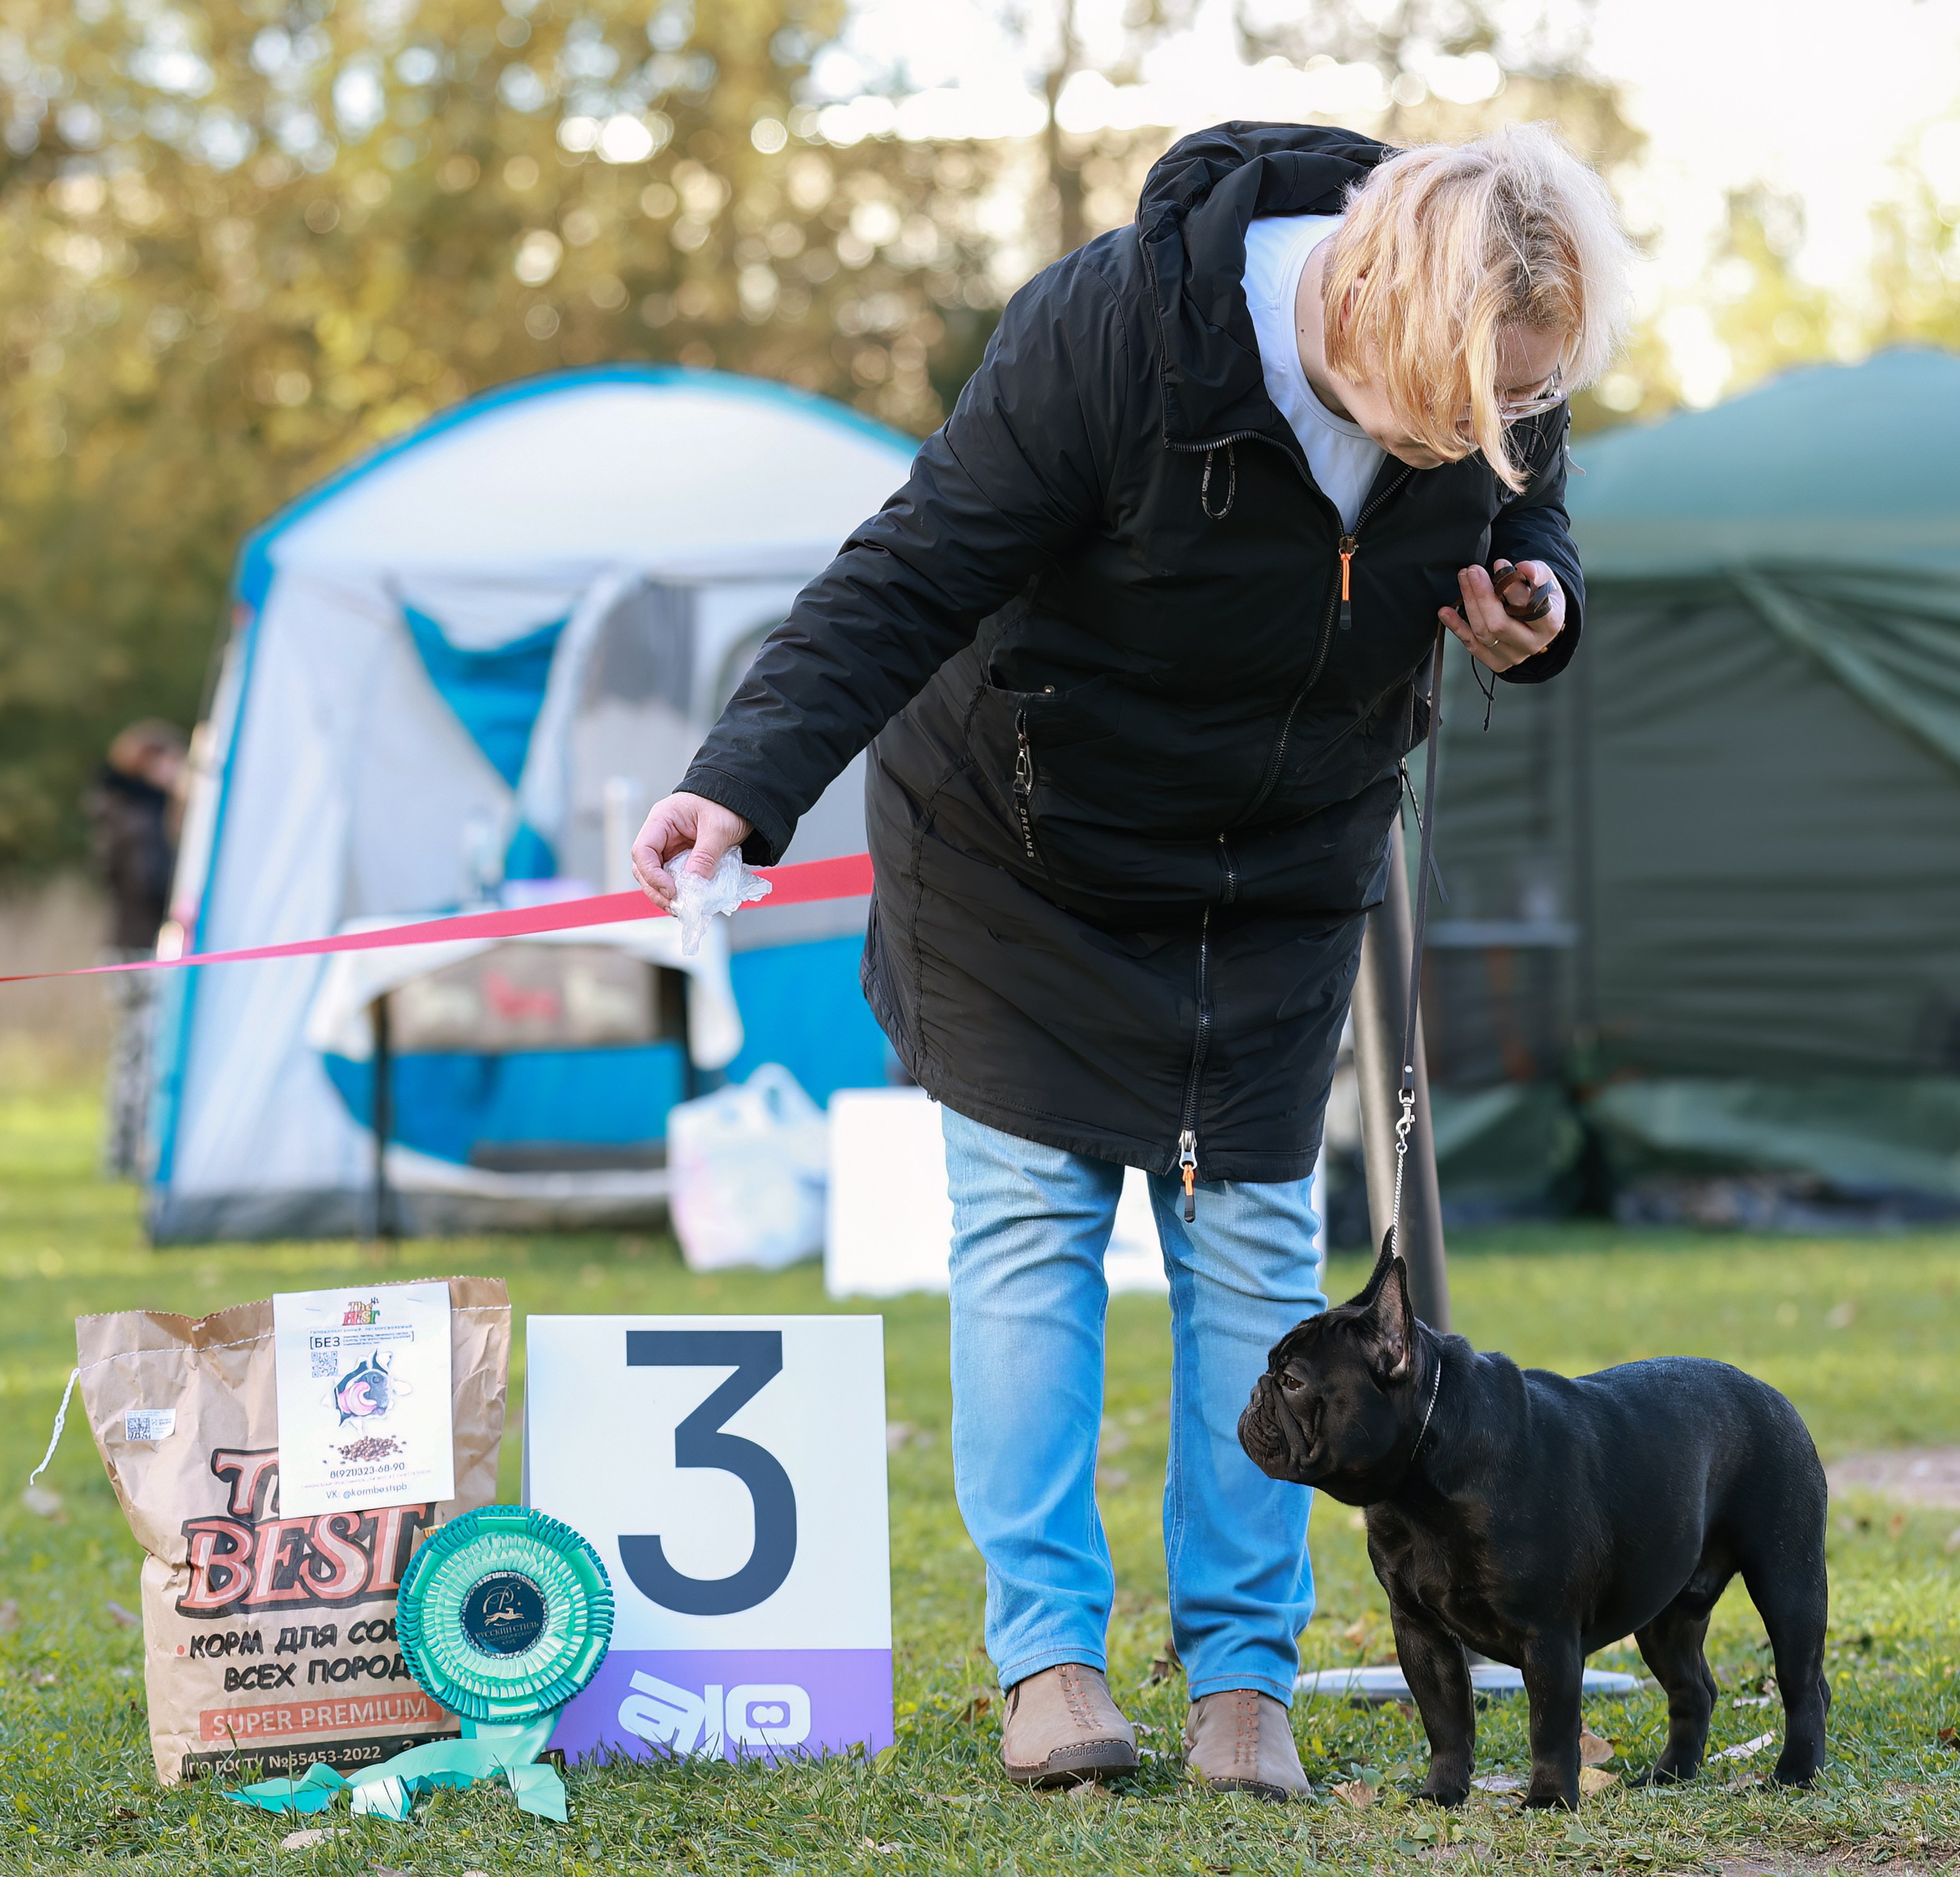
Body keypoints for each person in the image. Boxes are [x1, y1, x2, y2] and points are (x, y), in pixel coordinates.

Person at [633, 121, 1632, 1799]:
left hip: (1274, 868)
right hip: (1024, 854)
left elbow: (1534, 525)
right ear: (1372, 298)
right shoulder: (1116, 335)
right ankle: (1049, 1659)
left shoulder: (1495, 352)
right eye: (1463, 400)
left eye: (1513, 404)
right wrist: (737, 782)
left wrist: (1538, 601)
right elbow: (911, 570)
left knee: (1251, 1253)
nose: (1486, 432)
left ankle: (1243, 1676)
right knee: (1030, 1235)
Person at [85, 718, 188, 1177]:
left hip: (121, 947)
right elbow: (152, 885)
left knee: (129, 1057)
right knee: (143, 1058)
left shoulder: (115, 810)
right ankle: (132, 1156)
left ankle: (121, 1154)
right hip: (141, 950)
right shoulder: (143, 818)